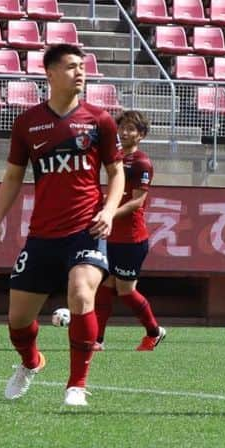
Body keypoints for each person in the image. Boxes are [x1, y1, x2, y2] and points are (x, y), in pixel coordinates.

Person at [0, 43, 124, 409]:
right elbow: (14, 175)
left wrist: (108, 211)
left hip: (86, 231)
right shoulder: (29, 122)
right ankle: (31, 361)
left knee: (81, 292)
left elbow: (116, 173)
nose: (81, 73)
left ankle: (76, 385)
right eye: (72, 67)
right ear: (50, 74)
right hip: (43, 235)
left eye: (83, 67)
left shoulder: (100, 120)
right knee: (17, 321)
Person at [93, 109, 167, 352]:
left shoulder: (141, 162)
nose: (124, 132)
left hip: (131, 239)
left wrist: (109, 212)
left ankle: (154, 332)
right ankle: (97, 340)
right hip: (110, 234)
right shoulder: (115, 157)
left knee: (125, 291)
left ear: (141, 135)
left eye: (131, 129)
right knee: (103, 287)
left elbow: (138, 201)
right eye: (122, 127)